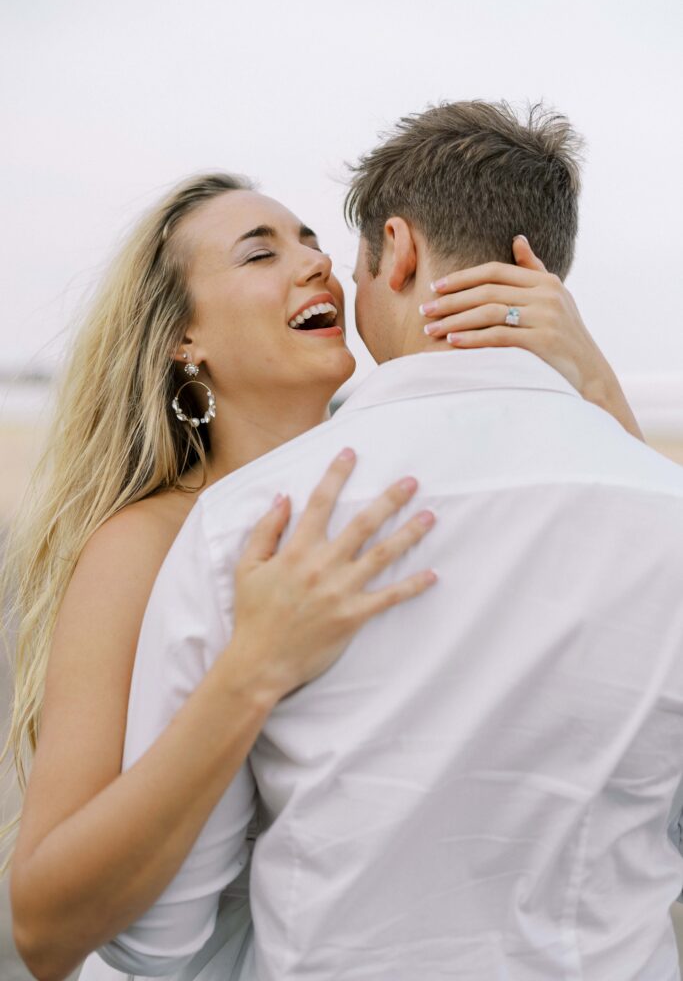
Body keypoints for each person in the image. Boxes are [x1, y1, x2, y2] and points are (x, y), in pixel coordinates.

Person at [42, 98, 683, 981]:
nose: (317, 269)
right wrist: (252, 668)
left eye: (315, 245)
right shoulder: (163, 537)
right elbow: (57, 927)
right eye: (263, 252)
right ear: (181, 335)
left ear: (399, 252)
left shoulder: (340, 496)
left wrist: (593, 385)